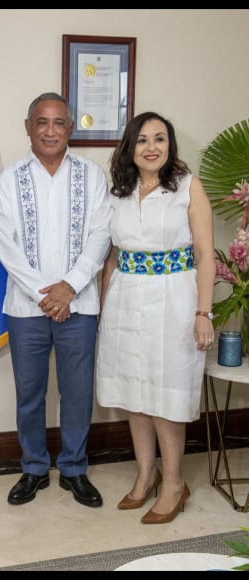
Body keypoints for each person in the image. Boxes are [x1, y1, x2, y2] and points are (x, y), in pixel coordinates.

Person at [0, 92, 112, 508]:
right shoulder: (8, 180)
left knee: (77, 392)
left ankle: (74, 468)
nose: (50, 130)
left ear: (70, 129)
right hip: (27, 308)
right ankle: (34, 468)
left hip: (80, 304)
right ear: (28, 127)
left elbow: (100, 236)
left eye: (59, 123)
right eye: (42, 122)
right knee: (30, 391)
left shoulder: (93, 177)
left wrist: (70, 287)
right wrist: (47, 294)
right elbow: (5, 245)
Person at [96, 111, 216, 524]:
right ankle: (146, 474)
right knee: (135, 390)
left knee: (165, 392)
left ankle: (174, 483)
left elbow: (204, 256)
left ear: (170, 145)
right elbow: (110, 258)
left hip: (174, 300)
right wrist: (103, 308)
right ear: (130, 147)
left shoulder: (188, 187)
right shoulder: (120, 192)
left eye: (160, 139)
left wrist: (204, 312)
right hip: (125, 299)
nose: (151, 147)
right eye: (143, 139)